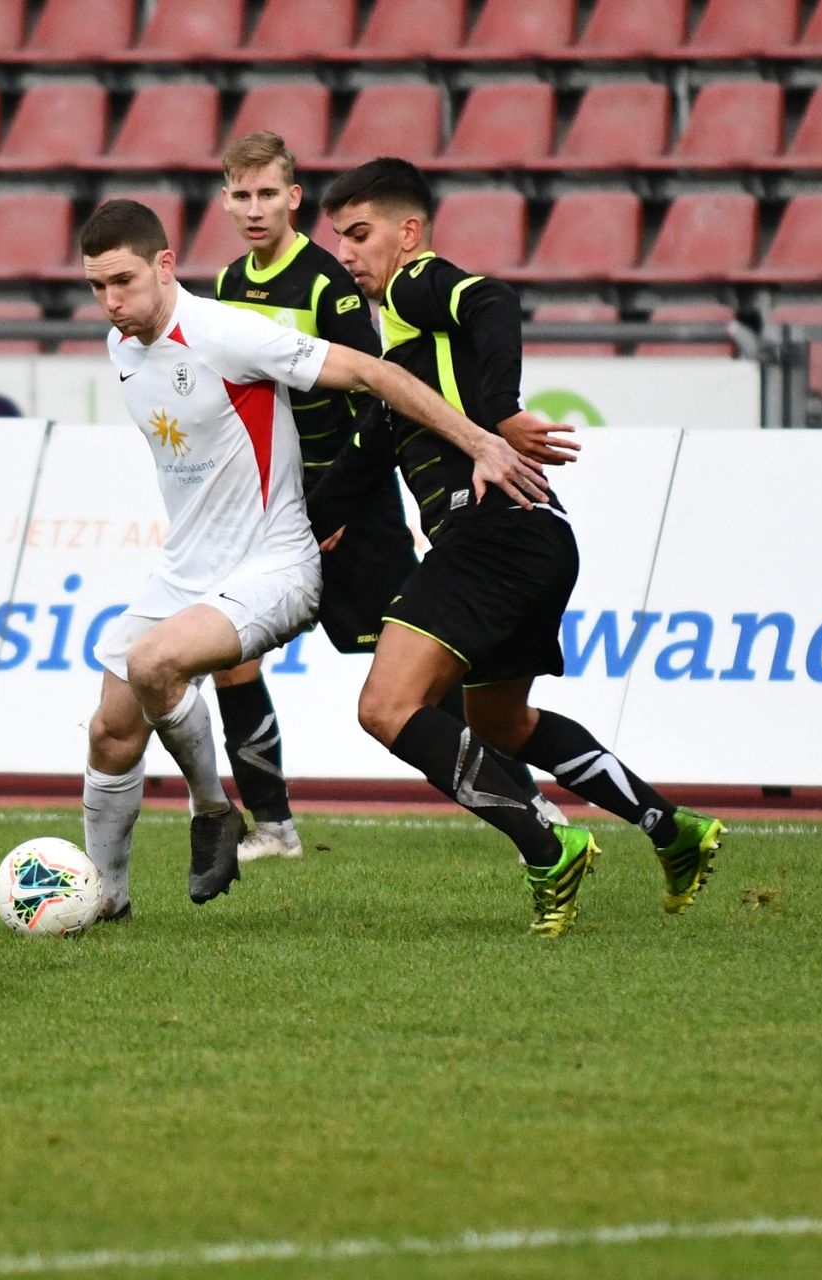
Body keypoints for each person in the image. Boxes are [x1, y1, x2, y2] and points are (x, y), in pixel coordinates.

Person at [77, 199, 549, 921]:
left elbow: (372, 373)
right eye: (97, 288)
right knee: (110, 729)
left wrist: (480, 439)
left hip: (273, 566)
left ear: (165, 265)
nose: (111, 304)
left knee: (152, 664)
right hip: (185, 569)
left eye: (123, 283)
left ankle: (214, 811)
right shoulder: (124, 344)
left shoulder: (226, 332)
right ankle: (105, 901)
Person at [309, 159, 725, 936]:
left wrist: (499, 413)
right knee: (503, 726)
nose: (349, 254)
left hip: (493, 534)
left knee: (386, 706)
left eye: (360, 234)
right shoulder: (401, 358)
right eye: (339, 240)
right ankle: (675, 831)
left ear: (409, 232)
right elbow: (362, 461)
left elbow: (493, 298)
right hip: (539, 537)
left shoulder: (414, 284)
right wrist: (300, 524)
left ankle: (547, 846)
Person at [208, 131, 568, 862]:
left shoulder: (329, 283)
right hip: (284, 503)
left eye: (267, 194)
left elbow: (382, 391)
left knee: (420, 676)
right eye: (240, 195)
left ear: (293, 200)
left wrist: (344, 497)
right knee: (231, 654)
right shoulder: (224, 288)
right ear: (224, 200)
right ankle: (273, 826)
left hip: (354, 503)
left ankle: (525, 798)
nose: (254, 209)